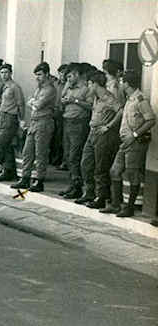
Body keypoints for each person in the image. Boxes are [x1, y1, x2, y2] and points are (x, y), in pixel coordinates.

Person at [101, 71, 156, 217]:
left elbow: (151, 120)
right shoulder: (130, 99)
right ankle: (115, 204)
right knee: (115, 171)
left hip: (136, 142)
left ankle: (129, 207)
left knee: (132, 174)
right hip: (125, 142)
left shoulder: (140, 99)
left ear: (126, 83)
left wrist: (135, 135)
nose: (120, 84)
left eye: (122, 81)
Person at [77, 71, 123, 208]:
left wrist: (108, 126)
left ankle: (101, 197)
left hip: (103, 136)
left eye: (90, 84)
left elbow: (121, 111)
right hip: (92, 133)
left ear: (95, 84)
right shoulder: (96, 98)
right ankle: (89, 192)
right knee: (86, 164)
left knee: (100, 167)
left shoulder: (109, 98)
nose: (88, 87)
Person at [11, 62, 57, 192]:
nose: (37, 77)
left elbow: (38, 105)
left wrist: (32, 102)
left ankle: (39, 180)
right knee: (27, 151)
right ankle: (25, 177)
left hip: (44, 122)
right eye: (36, 75)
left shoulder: (50, 89)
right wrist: (33, 102)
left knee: (40, 153)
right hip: (34, 121)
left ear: (47, 74)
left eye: (40, 74)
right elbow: (31, 102)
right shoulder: (39, 88)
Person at [58, 63, 94, 199]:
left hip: (79, 123)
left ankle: (78, 186)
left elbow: (91, 106)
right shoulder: (68, 87)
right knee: (67, 155)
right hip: (67, 121)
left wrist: (76, 100)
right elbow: (61, 101)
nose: (68, 79)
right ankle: (72, 184)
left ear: (77, 75)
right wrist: (64, 99)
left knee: (75, 155)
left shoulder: (86, 89)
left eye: (70, 76)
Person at [0, 63, 24, 181]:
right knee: (7, 146)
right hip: (2, 116)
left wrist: (21, 120)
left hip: (11, 117)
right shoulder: (4, 86)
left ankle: (7, 168)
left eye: (6, 72)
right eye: (1, 72)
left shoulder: (15, 87)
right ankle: (8, 171)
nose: (3, 75)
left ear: (11, 73)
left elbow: (21, 104)